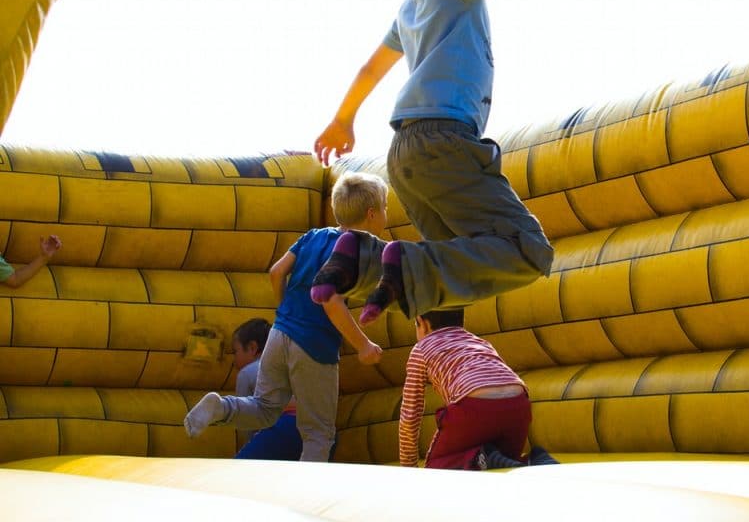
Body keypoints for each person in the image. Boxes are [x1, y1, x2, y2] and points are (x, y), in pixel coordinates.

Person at [311, 0, 598, 325]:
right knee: (526, 250)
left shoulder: (415, 1)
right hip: (444, 143)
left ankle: (366, 261)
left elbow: (372, 67)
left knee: (449, 275)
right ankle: (400, 265)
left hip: (405, 156)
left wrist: (342, 119)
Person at [183, 172, 387, 462]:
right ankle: (308, 496)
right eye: (385, 208)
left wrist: (285, 313)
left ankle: (221, 407)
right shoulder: (354, 251)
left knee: (264, 409)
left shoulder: (313, 237)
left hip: (280, 334)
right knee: (318, 433)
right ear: (371, 214)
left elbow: (276, 272)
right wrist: (363, 344)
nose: (386, 215)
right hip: (314, 344)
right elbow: (330, 300)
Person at [398, 308, 558, 470]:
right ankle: (534, 459)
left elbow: (410, 414)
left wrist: (408, 467)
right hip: (518, 405)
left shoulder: (421, 349)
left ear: (422, 323)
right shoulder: (478, 342)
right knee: (505, 462)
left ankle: (480, 459)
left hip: (473, 406)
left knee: (436, 469)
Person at [229, 317, 305, 460]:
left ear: (252, 348)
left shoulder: (247, 373)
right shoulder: (291, 364)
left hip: (284, 427)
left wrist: (247, 451)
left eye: (235, 351)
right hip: (314, 431)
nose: (233, 360)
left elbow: (245, 422)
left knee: (237, 470)